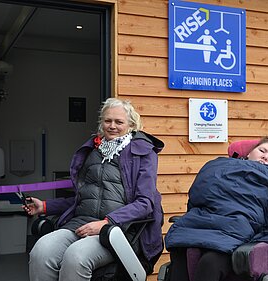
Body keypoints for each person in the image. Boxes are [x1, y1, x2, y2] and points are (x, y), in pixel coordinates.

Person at [24, 98, 164, 281]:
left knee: (76, 256)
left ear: (131, 124)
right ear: (101, 123)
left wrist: (107, 222)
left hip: (117, 230)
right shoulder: (92, 152)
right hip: (80, 224)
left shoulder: (143, 153)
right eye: (108, 121)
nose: (112, 126)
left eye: (119, 122)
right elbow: (82, 199)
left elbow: (145, 203)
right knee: (41, 250)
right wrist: (44, 206)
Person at [164, 137, 268, 281]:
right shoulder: (223, 166)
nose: (265, 156)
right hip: (207, 218)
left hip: (240, 226)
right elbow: (200, 192)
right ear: (248, 154)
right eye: (262, 150)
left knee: (210, 261)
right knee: (182, 249)